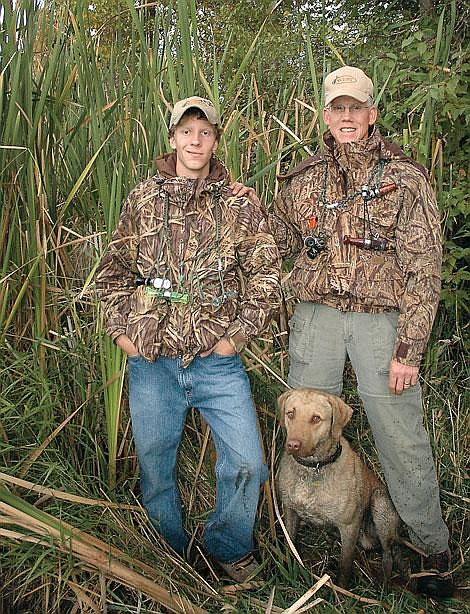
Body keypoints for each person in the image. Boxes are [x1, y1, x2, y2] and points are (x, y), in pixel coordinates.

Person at [268, 66, 453, 597]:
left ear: (371, 114)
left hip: (380, 324)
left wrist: (409, 349)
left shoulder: (406, 178)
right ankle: (292, 532)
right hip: (316, 319)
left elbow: (425, 266)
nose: (346, 117)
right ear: (325, 115)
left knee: (400, 434)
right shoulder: (301, 178)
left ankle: (429, 547)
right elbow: (271, 245)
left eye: (356, 108)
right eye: (337, 108)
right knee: (300, 429)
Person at [95, 96, 281, 583]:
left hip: (216, 364)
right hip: (152, 361)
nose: (194, 141)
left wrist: (233, 339)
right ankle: (168, 554)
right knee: (155, 464)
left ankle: (227, 546)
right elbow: (113, 273)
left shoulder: (240, 201)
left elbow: (265, 274)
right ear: (172, 138)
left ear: (215, 140)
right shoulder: (142, 198)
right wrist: (123, 336)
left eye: (204, 133)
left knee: (248, 464)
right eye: (185, 132)